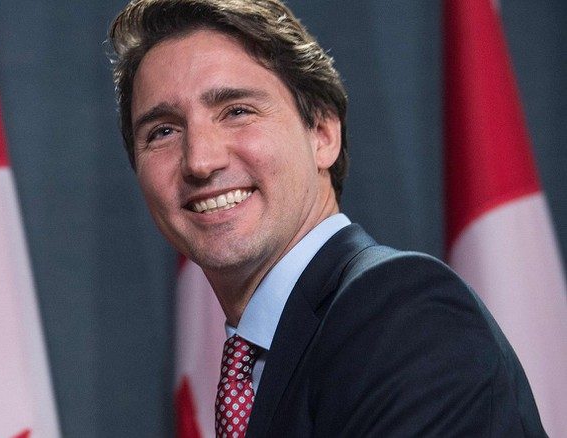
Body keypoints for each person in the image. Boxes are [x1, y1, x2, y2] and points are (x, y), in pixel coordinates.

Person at [108, 0, 546, 436]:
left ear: (322, 134)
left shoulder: (403, 314)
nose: (200, 160)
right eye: (162, 131)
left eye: (237, 111)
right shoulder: (268, 356)